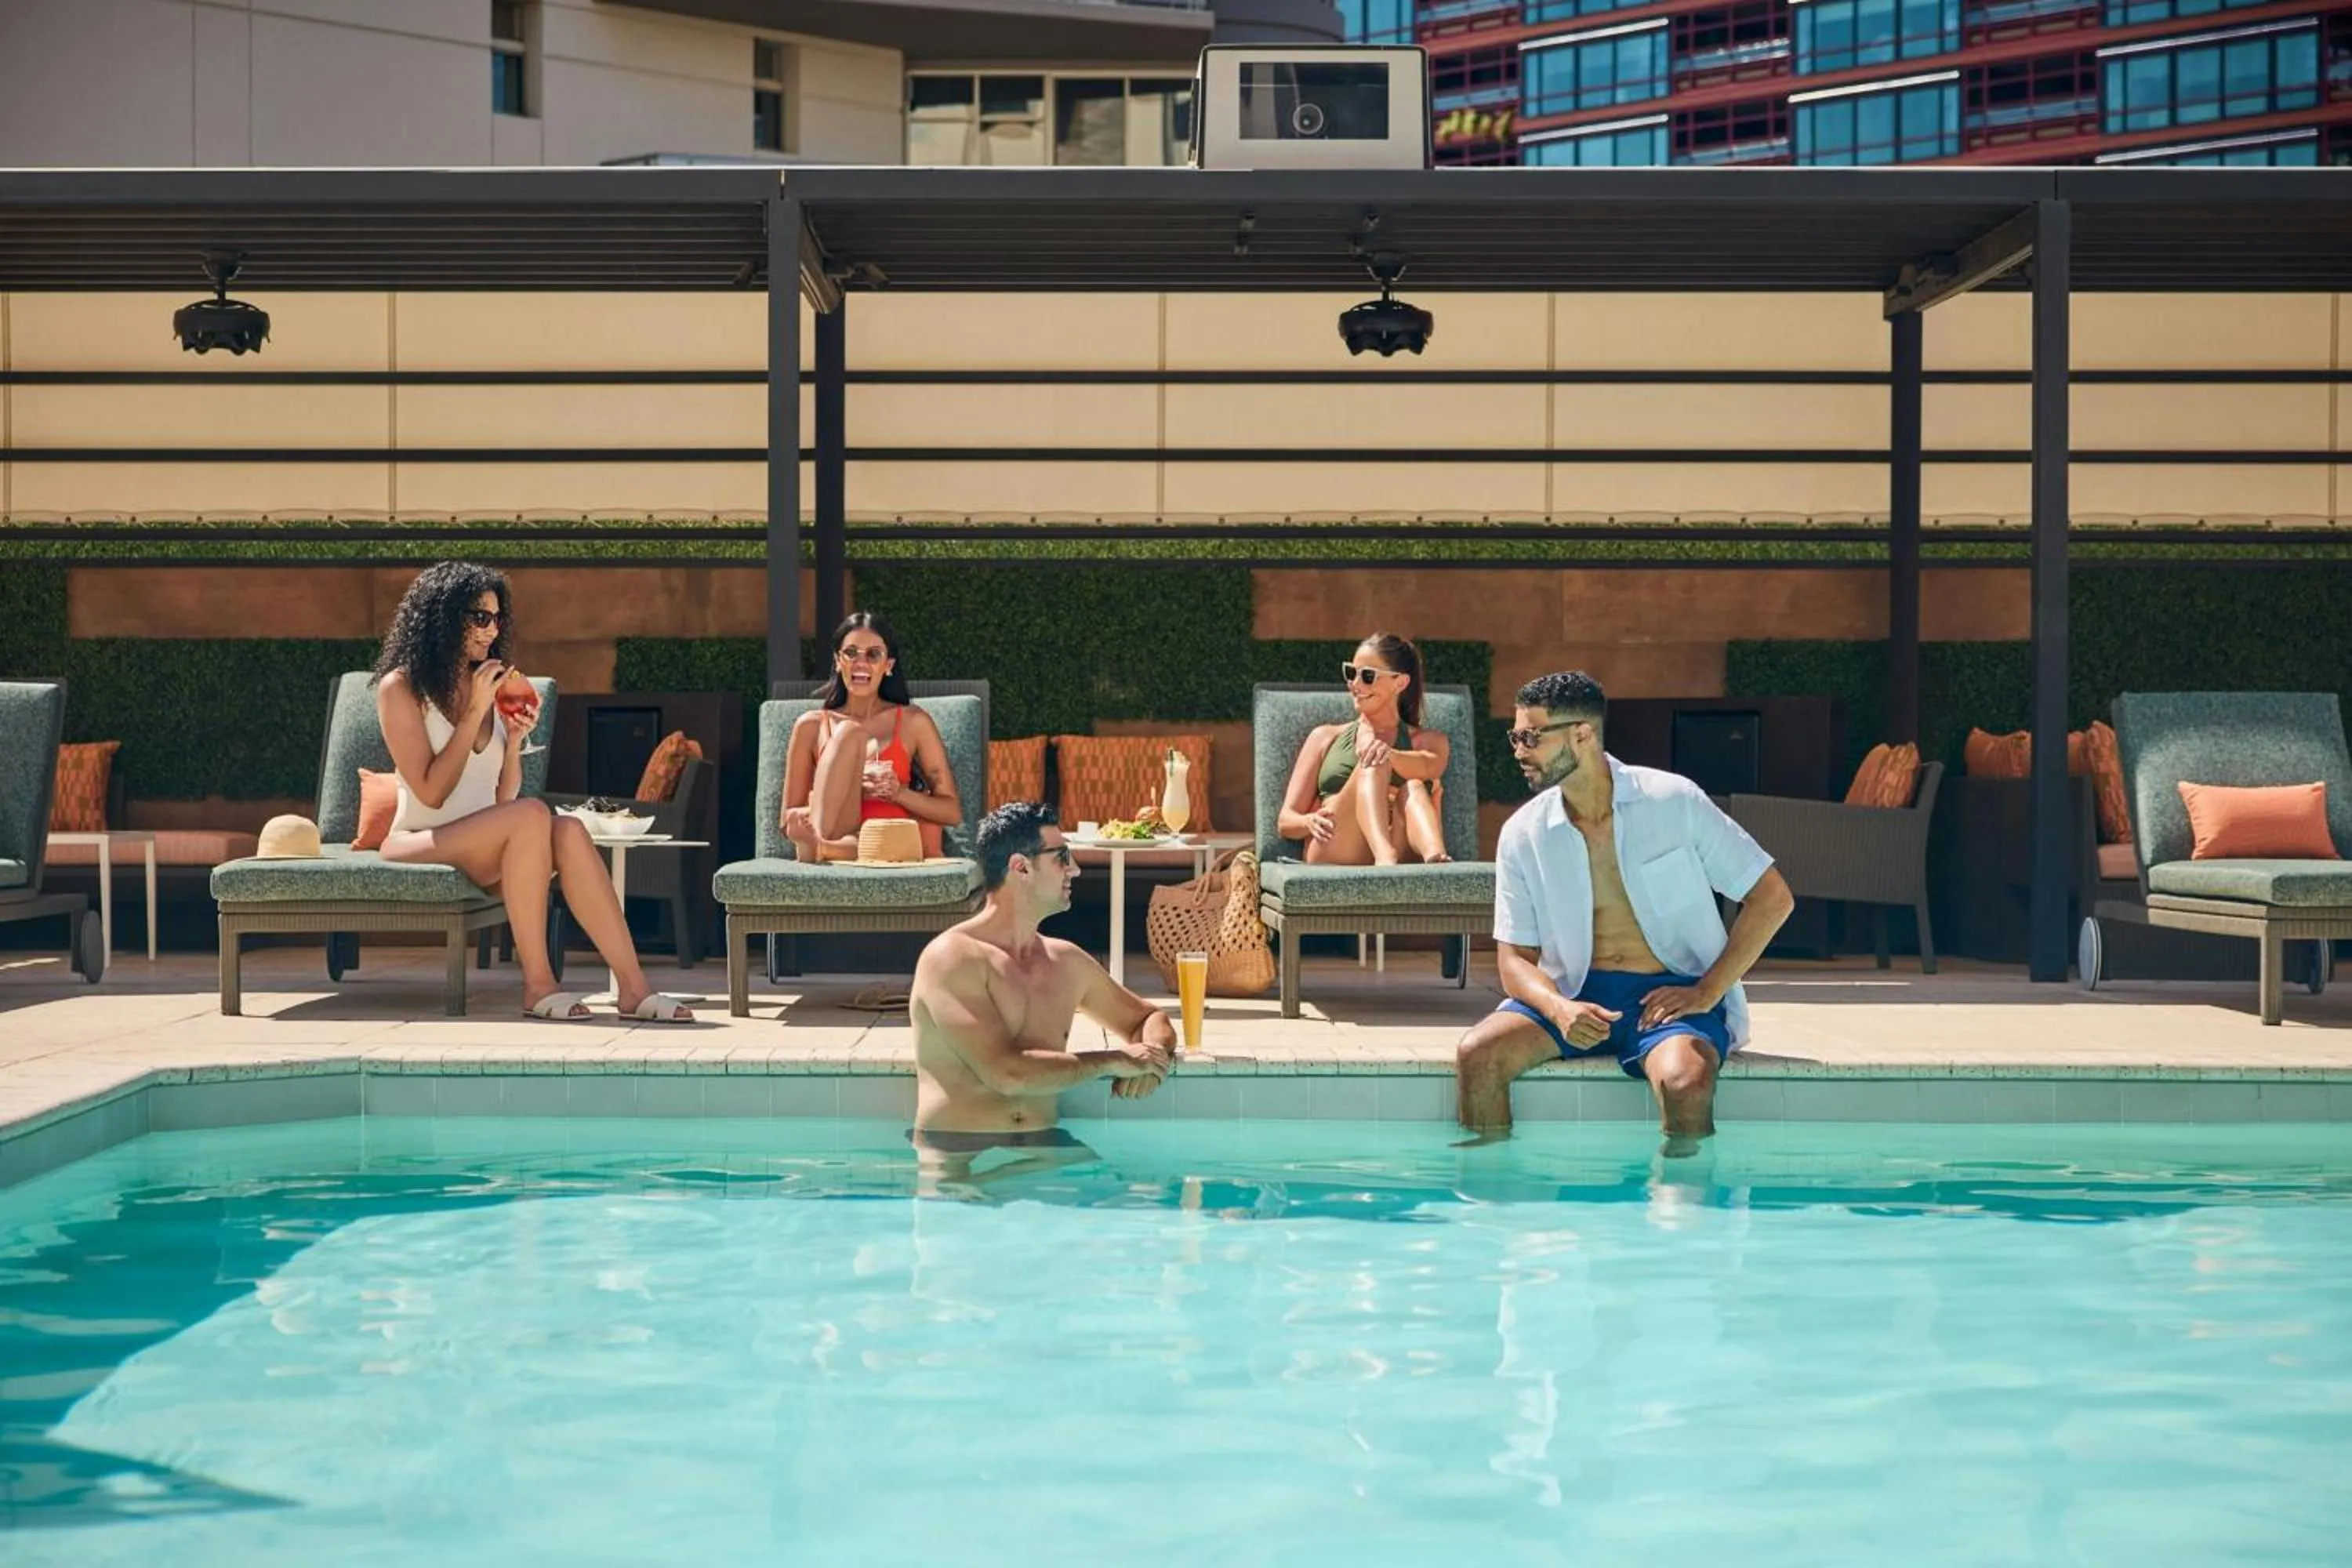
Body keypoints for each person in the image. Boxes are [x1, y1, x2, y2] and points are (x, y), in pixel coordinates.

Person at [1454, 670, 1793, 1150]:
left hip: (1667, 998)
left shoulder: (1673, 802)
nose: (1518, 749)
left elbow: (1772, 897)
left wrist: (1707, 990)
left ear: (1583, 734)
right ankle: (1497, 1198)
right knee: (1477, 1056)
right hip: (1574, 994)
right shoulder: (1523, 832)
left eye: (1531, 736)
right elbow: (1514, 960)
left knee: (1685, 1084)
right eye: (1515, 735)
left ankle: (1685, 1212)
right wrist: (1559, 1007)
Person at [372, 561, 691, 1022]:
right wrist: (474, 713)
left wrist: (515, 741)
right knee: (531, 815)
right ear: (443, 617)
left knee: (569, 832)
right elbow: (431, 792)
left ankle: (633, 988)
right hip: (422, 839)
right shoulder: (401, 688)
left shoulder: (489, 683)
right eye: (479, 617)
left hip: (481, 837)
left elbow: (500, 801)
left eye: (497, 619)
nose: (491, 629)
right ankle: (538, 985)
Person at [907, 802, 1175, 1181]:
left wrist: (1154, 1060)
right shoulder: (952, 958)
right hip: (956, 1159)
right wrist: (1115, 1059)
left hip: (1045, 1148)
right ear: (1021, 867)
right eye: (1062, 857)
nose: (1075, 870)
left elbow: (1149, 1018)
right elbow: (1006, 1074)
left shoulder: (1064, 961)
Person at [782, 612, 962, 863]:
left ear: (888, 665)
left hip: (888, 839)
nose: (861, 663)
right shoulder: (811, 726)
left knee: (873, 842)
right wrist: (848, 792)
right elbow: (788, 819)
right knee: (849, 732)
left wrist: (897, 793)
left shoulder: (913, 722)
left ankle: (821, 851)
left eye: (874, 655)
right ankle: (822, 845)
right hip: (835, 829)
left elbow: (951, 812)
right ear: (837, 661)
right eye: (851, 653)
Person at [1276, 631, 1452, 866]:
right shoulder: (1324, 737)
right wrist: (1309, 822)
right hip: (1337, 843)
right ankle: (1384, 856)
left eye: (1368, 676)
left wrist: (1389, 755)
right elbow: (1285, 821)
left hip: (1401, 842)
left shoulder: (1428, 741)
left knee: (1413, 786)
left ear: (1400, 682)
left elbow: (1430, 766)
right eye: (1351, 673)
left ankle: (1437, 859)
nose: (1355, 685)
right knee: (1372, 761)